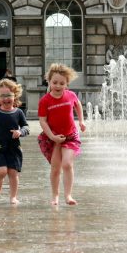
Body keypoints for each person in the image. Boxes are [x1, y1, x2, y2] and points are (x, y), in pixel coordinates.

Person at [37, 63, 86, 206]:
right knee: (55, 168)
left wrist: (81, 121)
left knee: (67, 164)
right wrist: (52, 137)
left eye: (62, 83)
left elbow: (78, 105)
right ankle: (55, 196)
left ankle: (68, 195)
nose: (58, 86)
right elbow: (43, 121)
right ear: (49, 82)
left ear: (67, 84)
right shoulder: (45, 101)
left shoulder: (70, 95)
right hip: (53, 138)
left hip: (70, 136)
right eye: (55, 83)